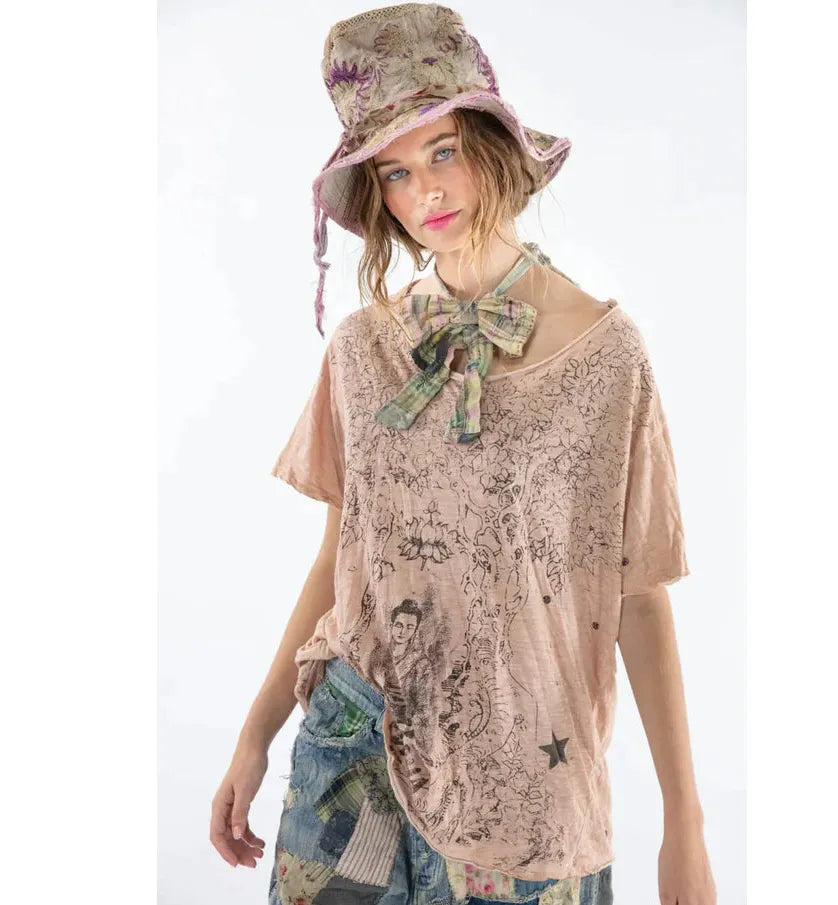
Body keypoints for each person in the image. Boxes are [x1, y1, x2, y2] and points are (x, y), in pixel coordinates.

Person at [209, 4, 717, 904]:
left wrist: (685, 822)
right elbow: (338, 558)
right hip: (353, 751)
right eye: (395, 172)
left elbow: (638, 595)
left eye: (442, 152)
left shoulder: (606, 356)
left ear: (491, 145)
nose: (425, 193)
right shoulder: (362, 350)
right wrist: (256, 736)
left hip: (526, 790)